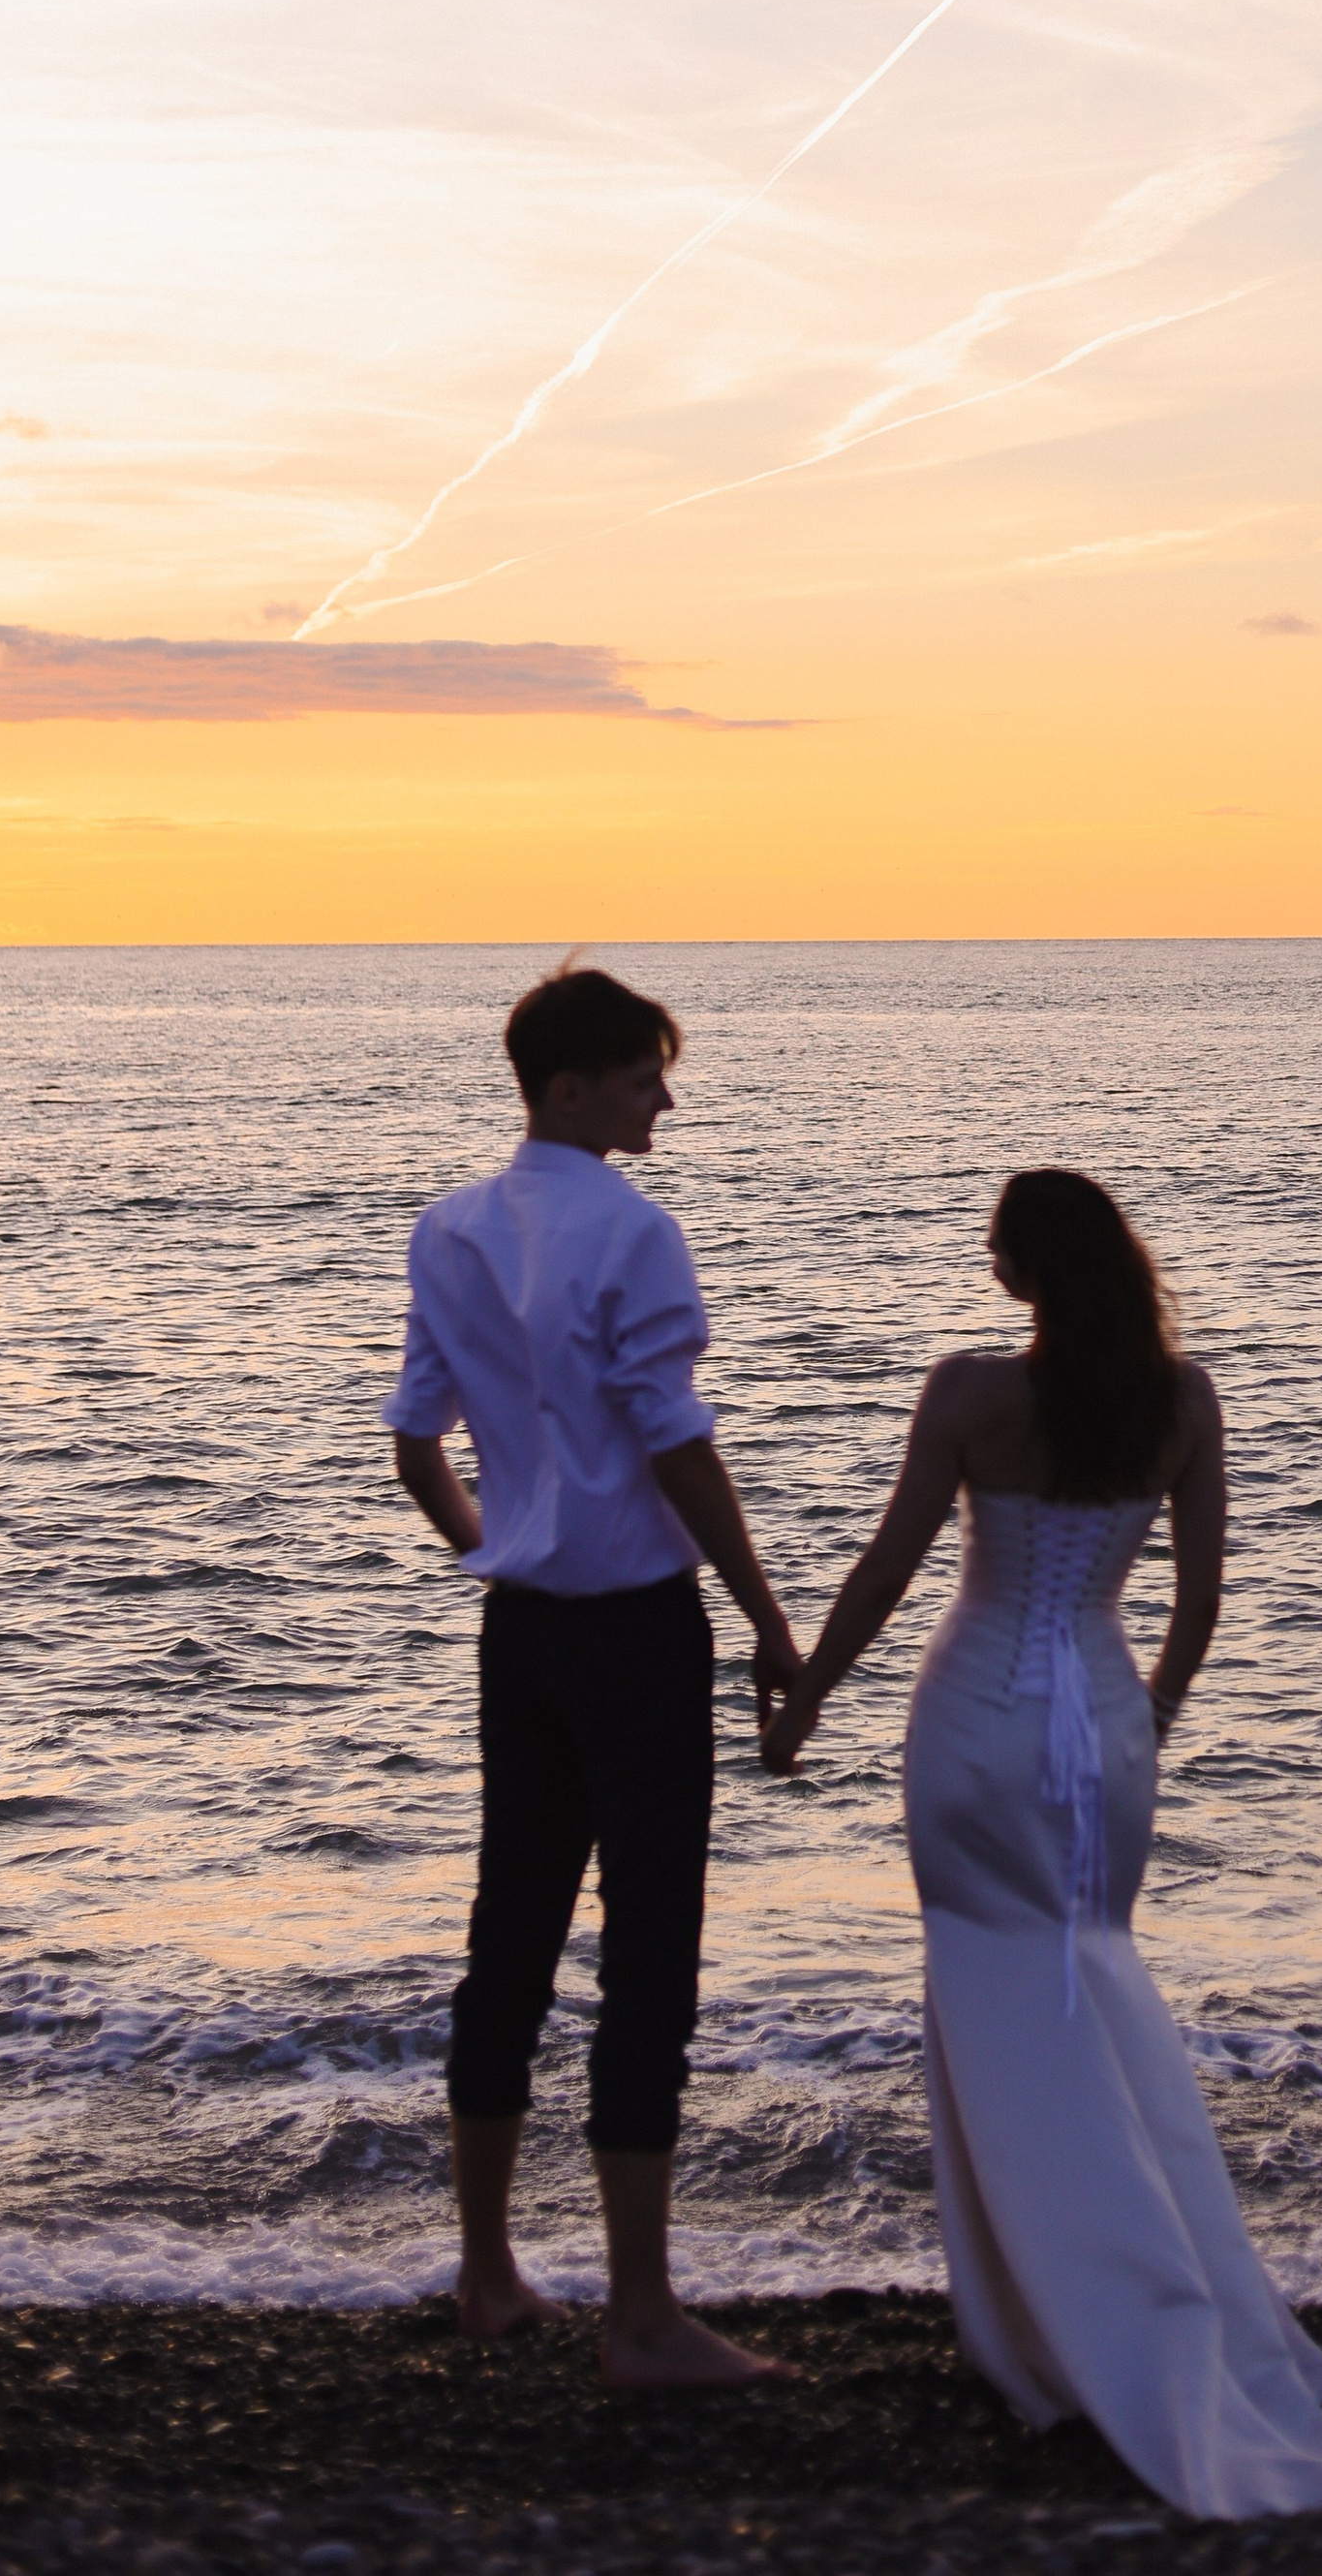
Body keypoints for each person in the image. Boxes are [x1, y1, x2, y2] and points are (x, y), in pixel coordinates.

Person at [760, 1167, 1322, 2518]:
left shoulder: (966, 1393)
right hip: (1102, 1732)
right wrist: (1145, 1717)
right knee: (1092, 1991)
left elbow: (887, 1569)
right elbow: (1201, 1599)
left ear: (1016, 1273)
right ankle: (1145, 2303)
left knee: (1000, 2010)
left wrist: (811, 1690)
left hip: (971, 1728)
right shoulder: (1184, 1401)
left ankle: (1063, 2329)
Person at [384, 961, 800, 2384]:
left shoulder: (447, 1229)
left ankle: (488, 2274)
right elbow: (675, 1439)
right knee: (649, 1953)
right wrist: (765, 1614)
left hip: (524, 1632)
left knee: (511, 1933)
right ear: (570, 1088)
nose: (664, 1100)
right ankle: (639, 2313)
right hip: (631, 1623)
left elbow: (415, 1442)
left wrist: (491, 1548)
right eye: (642, 1078)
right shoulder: (635, 1231)